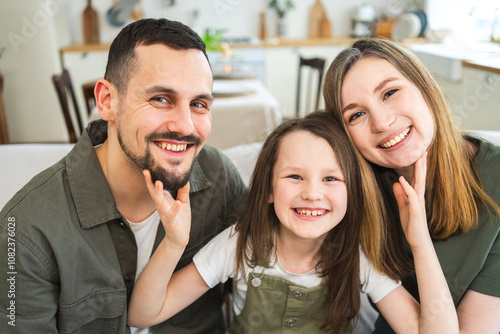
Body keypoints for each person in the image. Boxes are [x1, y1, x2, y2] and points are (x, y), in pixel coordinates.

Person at [0, 18, 247, 333]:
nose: (185, 126)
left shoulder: (219, 180)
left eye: (198, 104)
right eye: (161, 99)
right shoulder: (27, 231)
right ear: (107, 102)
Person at [127, 111, 458, 333]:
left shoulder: (358, 258)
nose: (312, 193)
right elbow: (142, 315)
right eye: (295, 176)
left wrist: (419, 241)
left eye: (331, 179)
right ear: (269, 189)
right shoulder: (239, 243)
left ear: (352, 193)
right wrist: (173, 243)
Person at [322, 38, 500, 333]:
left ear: (424, 87)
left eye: (390, 92)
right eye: (356, 115)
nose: (381, 122)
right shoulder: (353, 185)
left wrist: (419, 243)